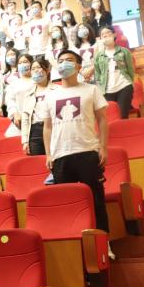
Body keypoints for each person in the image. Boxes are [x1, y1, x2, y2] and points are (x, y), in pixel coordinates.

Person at [43, 50, 111, 238]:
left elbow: (102, 120)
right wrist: (48, 154)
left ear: (79, 66)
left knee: (96, 200)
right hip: (60, 156)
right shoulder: (50, 95)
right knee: (67, 203)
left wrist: (103, 147)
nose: (64, 63)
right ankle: (74, 243)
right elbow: (47, 126)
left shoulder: (91, 90)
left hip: (87, 151)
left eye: (69, 60)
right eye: (61, 60)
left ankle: (103, 242)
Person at [93, 26, 135, 120]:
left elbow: (131, 70)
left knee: (123, 116)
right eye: (103, 34)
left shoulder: (124, 51)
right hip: (107, 90)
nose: (105, 35)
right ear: (100, 38)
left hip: (124, 86)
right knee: (112, 118)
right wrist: (100, 87)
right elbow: (98, 74)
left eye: (108, 32)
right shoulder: (98, 55)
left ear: (114, 34)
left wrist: (130, 84)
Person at [21, 59, 58, 155]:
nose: (36, 70)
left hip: (53, 129)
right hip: (34, 132)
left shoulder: (58, 90)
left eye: (38, 67)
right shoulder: (28, 93)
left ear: (47, 70)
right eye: (33, 69)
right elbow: (25, 118)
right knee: (38, 162)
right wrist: (25, 141)